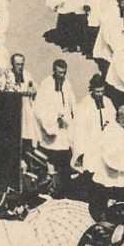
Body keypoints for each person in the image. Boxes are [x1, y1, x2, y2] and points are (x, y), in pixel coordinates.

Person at [33, 60, 77, 194]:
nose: (62, 76)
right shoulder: (46, 84)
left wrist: (71, 118)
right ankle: (49, 190)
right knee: (50, 161)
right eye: (59, 73)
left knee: (64, 161)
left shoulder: (67, 84)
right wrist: (53, 119)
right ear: (54, 71)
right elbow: (39, 109)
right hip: (51, 131)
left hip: (63, 131)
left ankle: (63, 191)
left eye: (64, 73)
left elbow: (72, 104)